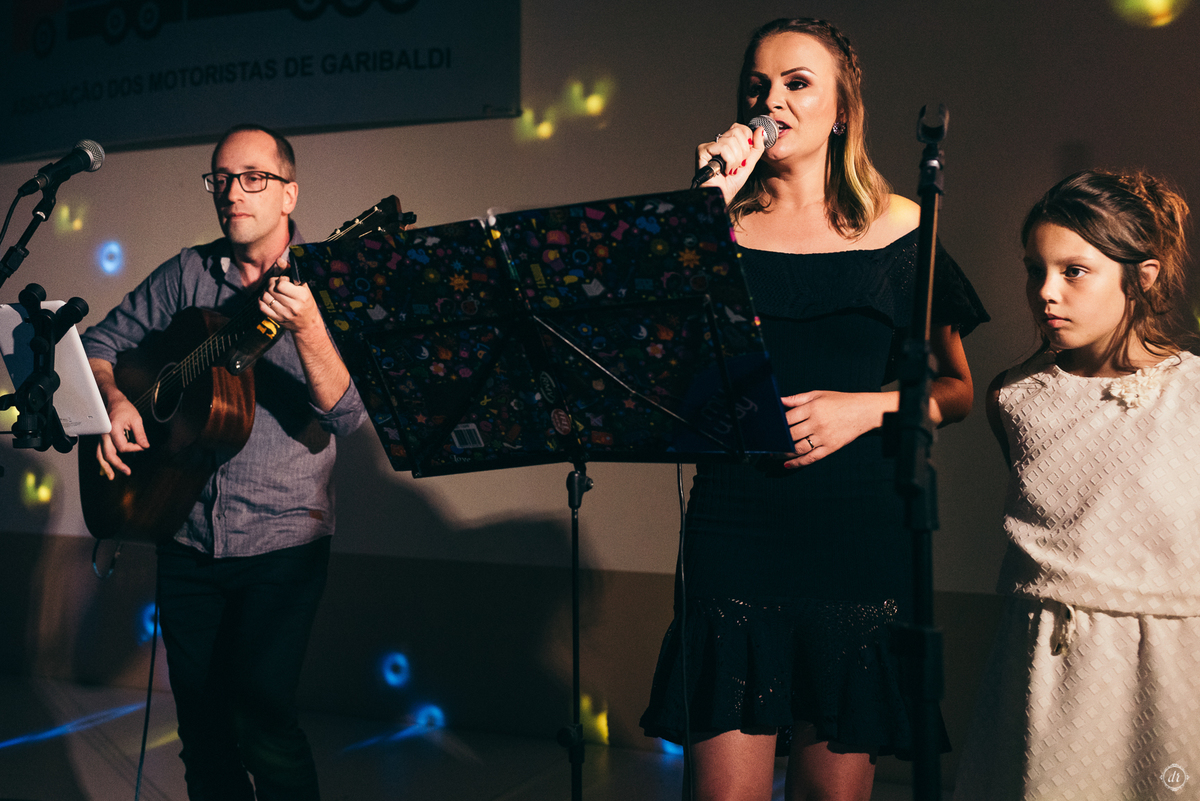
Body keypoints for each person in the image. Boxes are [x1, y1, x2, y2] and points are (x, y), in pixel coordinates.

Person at [639, 17, 988, 801]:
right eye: (757, 87)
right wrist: (700, 218)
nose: (773, 101)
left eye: (798, 83)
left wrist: (864, 409)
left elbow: (956, 389)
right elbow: (660, 369)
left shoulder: (902, 229)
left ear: (842, 110)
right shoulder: (714, 228)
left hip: (855, 535)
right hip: (737, 527)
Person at [82, 124, 366, 801]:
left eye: (252, 178)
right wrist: (117, 401)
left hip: (282, 539)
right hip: (185, 530)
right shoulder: (188, 272)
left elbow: (349, 416)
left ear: (289, 192)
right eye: (221, 179)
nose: (232, 193)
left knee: (264, 722)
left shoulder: (327, 285)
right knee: (203, 732)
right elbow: (97, 343)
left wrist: (308, 328)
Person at [953, 170, 1200, 800]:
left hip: (1170, 677)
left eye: (1074, 271)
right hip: (1042, 675)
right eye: (1036, 269)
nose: (1045, 292)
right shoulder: (1016, 397)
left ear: (1139, 278)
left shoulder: (1192, 395)